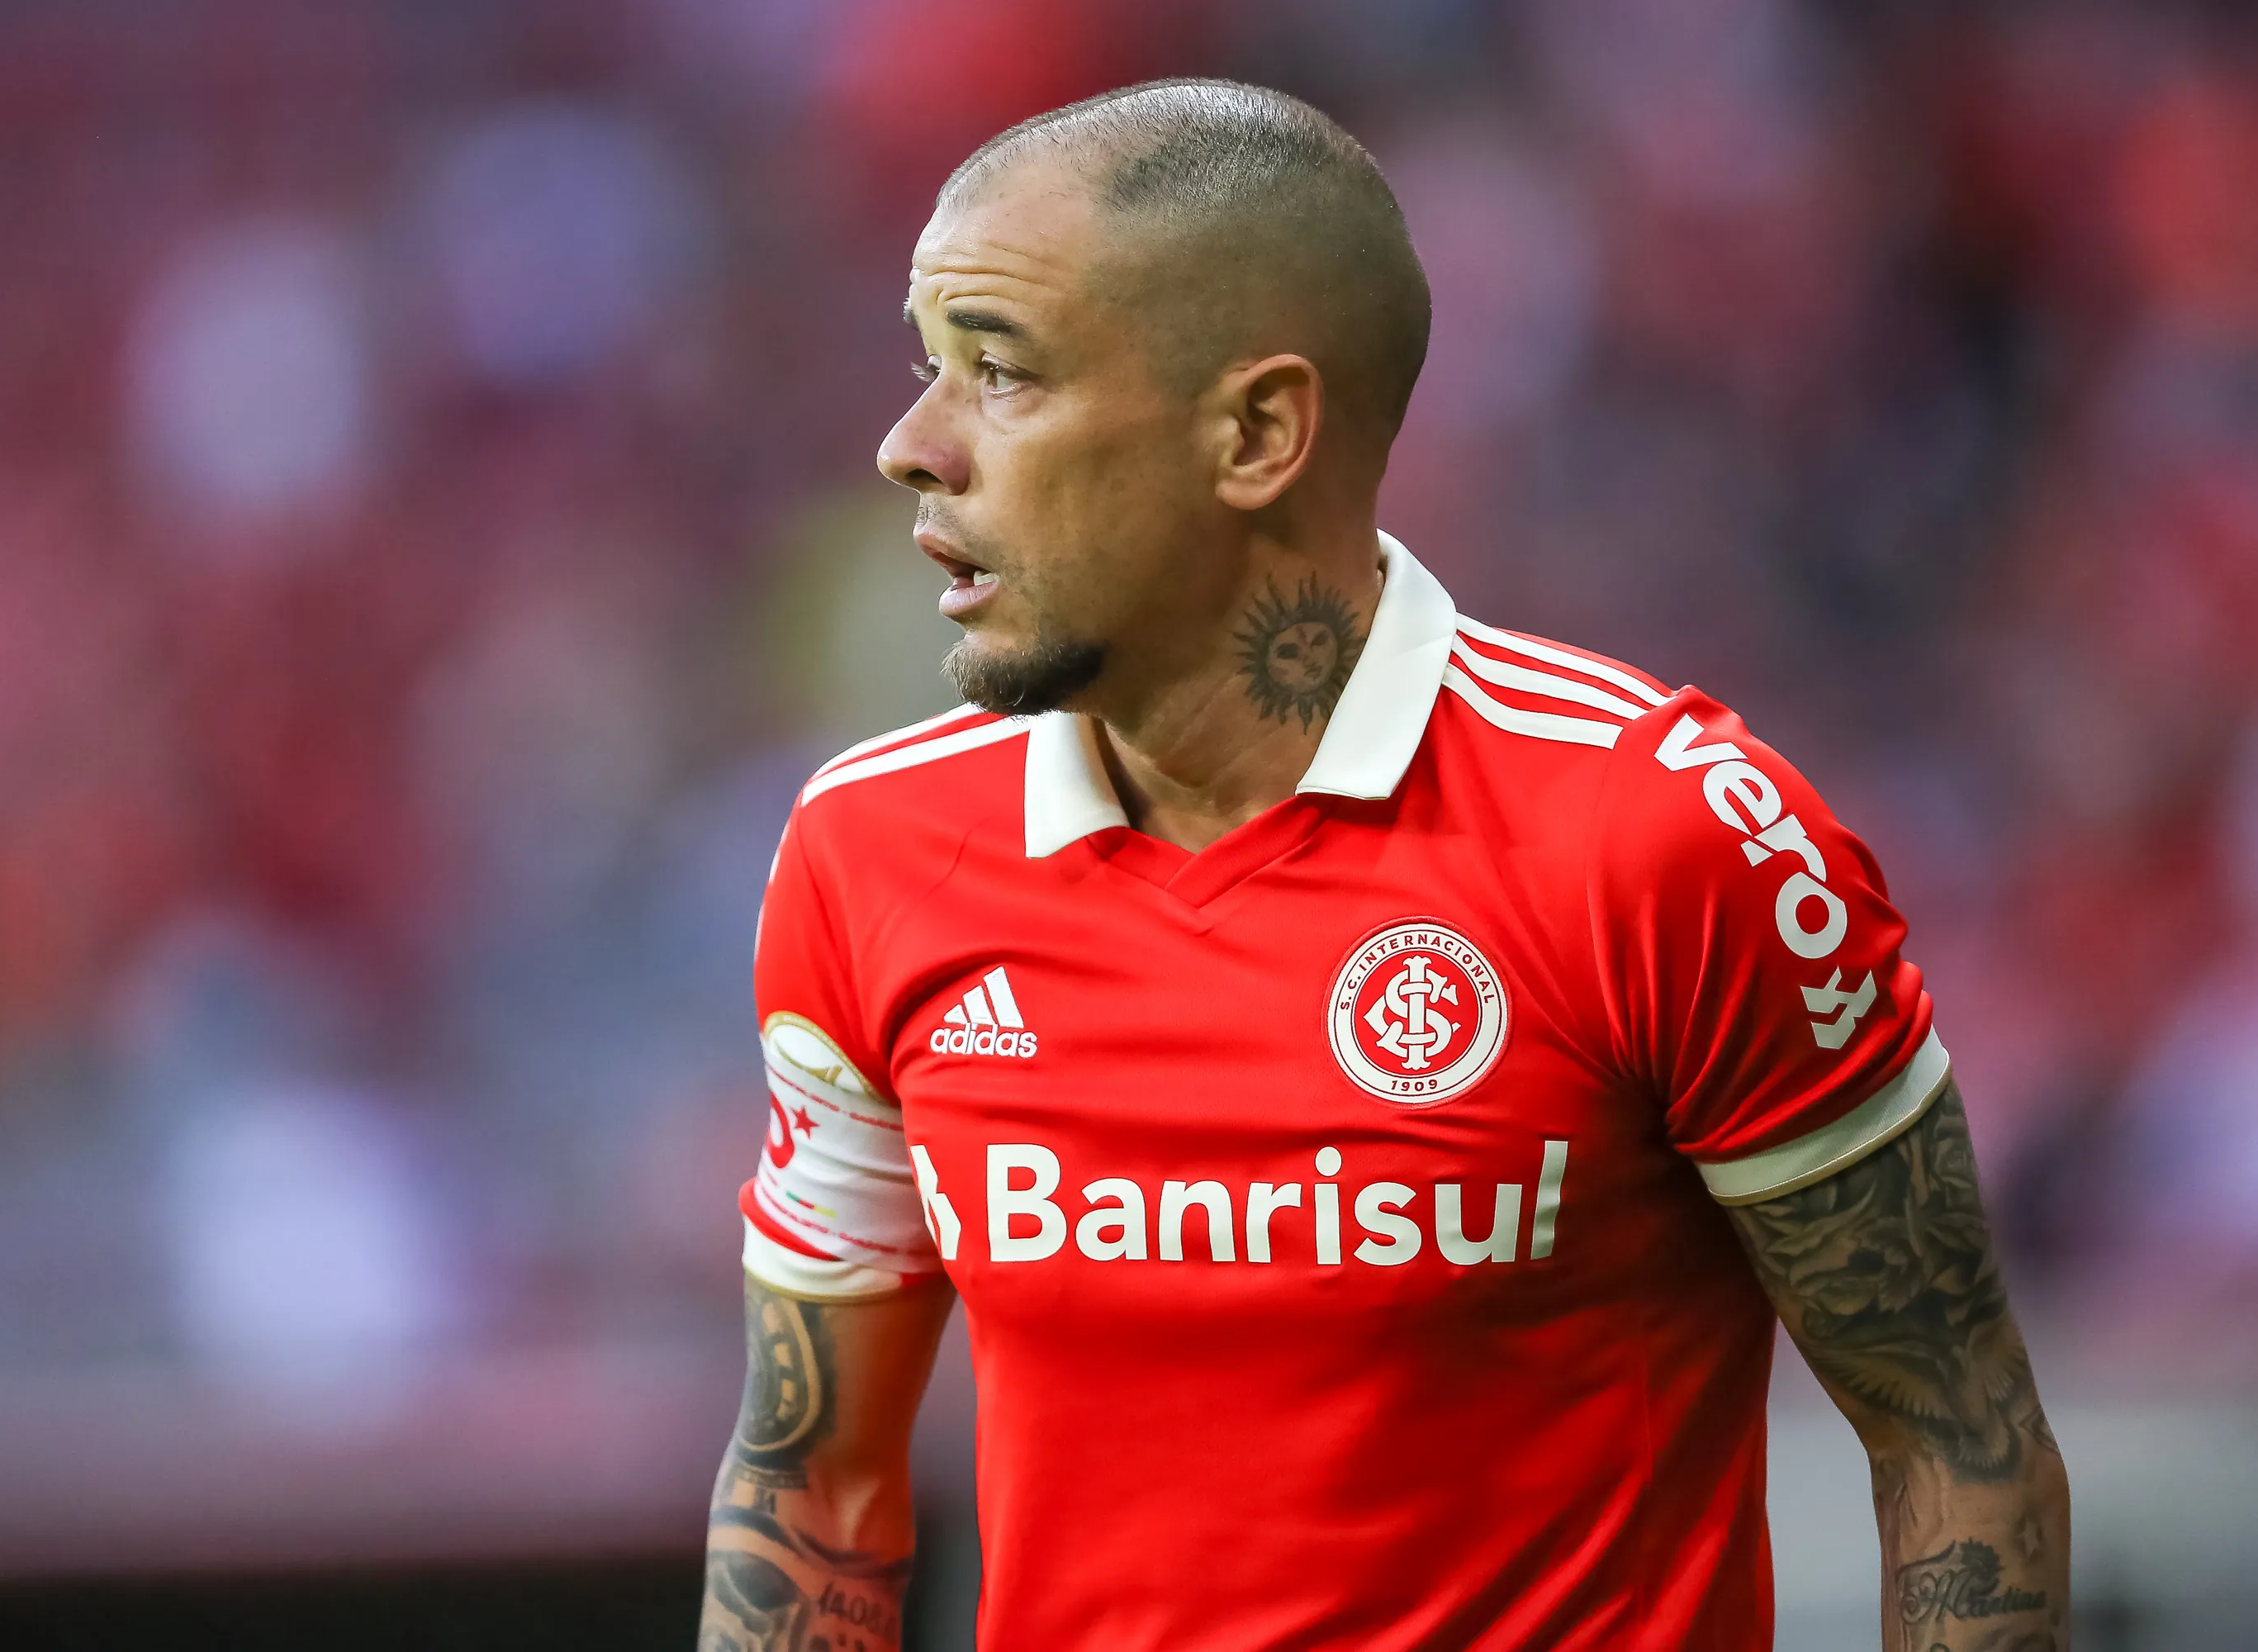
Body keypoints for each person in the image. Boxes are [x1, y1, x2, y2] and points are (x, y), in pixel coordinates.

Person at [698, 79, 2070, 1652]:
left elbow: (1960, 1445)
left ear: (1257, 432)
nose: (909, 448)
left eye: (998, 374)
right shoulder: (871, 853)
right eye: (925, 367)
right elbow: (813, 1483)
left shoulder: (1666, 840)